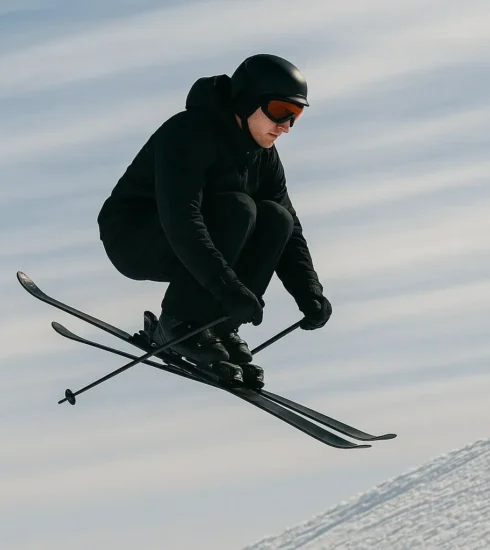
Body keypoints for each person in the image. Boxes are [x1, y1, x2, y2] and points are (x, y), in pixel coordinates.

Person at [97, 53, 332, 370]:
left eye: (296, 115)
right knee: (239, 209)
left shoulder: (264, 157)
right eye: (280, 110)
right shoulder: (188, 134)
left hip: (196, 240)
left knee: (278, 218)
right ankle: (179, 322)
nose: (286, 126)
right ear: (247, 101)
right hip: (135, 236)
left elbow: (291, 234)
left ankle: (218, 328)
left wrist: (309, 293)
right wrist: (228, 287)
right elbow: (182, 219)